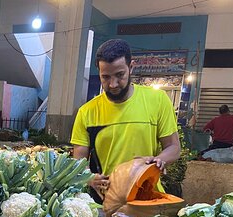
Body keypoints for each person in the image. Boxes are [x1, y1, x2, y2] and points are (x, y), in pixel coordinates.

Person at [71, 39, 180, 197]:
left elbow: (174, 147)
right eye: (105, 77)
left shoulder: (158, 100)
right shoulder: (86, 112)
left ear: (131, 67)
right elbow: (78, 159)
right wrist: (89, 177)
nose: (113, 84)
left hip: (148, 198)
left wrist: (160, 159)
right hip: (107, 200)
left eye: (119, 75)